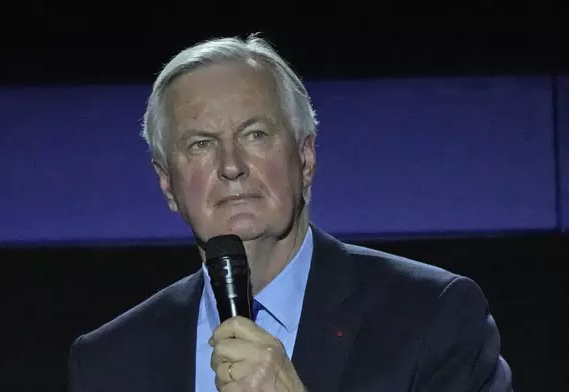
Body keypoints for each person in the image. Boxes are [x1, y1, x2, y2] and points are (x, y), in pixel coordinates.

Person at [68, 34, 513, 392]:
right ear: (167, 183)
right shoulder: (111, 360)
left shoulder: (431, 318)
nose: (231, 166)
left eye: (255, 134)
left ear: (306, 159)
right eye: (200, 144)